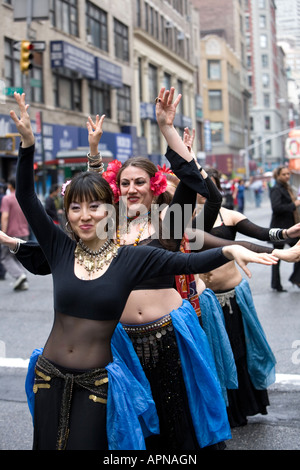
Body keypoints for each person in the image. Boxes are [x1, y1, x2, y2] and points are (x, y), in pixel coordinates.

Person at [5, 91, 281, 451]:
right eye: (125, 183)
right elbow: (85, 208)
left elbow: (202, 203)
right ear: (116, 190)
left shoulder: (166, 223)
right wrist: (88, 156)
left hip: (166, 337)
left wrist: (167, 130)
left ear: (153, 186)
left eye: (139, 183)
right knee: (129, 433)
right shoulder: (107, 228)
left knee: (174, 426)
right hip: (117, 344)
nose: (132, 189)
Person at [192, 168, 300, 428]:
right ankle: (219, 412)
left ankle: (241, 408)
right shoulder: (178, 219)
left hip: (232, 298)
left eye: (211, 188)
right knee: (211, 356)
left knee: (238, 352)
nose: (205, 193)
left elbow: (261, 232)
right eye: (200, 187)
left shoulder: (229, 216)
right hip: (202, 302)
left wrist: (286, 235)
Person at [270, 165, 300, 291]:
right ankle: (277, 284)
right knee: (276, 257)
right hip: (280, 229)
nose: (287, 176)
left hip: (290, 227)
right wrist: (294, 205)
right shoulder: (276, 188)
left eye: (288, 174)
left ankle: (296, 279)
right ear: (278, 176)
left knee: (296, 253)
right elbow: (276, 208)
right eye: (284, 174)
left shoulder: (287, 187)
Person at [0, 177, 30, 290]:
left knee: (5, 257)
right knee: (18, 256)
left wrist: (3, 233)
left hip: (11, 233)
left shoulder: (7, 199)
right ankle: (22, 279)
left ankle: (20, 275)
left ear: (10, 186)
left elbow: (5, 216)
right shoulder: (23, 198)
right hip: (24, 231)